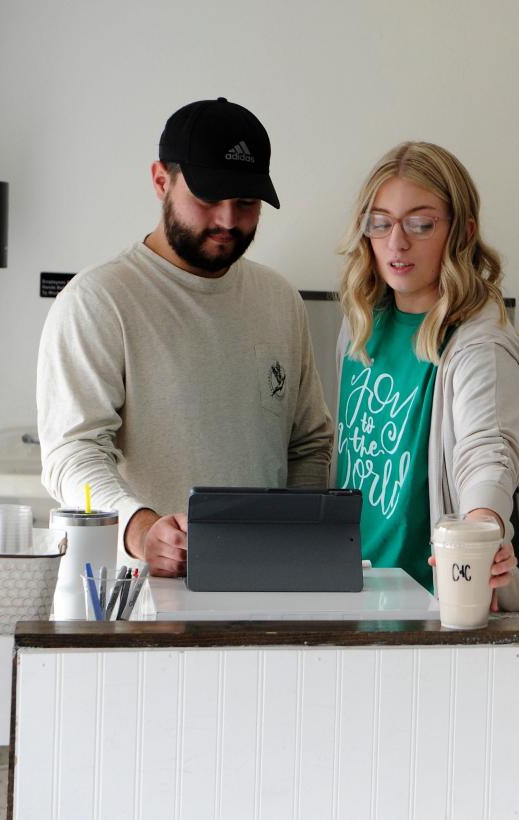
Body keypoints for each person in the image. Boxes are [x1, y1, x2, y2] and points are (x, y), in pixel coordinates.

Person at [37, 97, 333, 576]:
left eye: (246, 202)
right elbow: (72, 453)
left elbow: (308, 443)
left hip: (270, 586)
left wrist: (294, 540)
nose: (228, 220)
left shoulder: (279, 300)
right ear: (160, 180)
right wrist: (141, 530)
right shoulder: (100, 299)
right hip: (143, 590)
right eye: (208, 197)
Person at [334, 141, 519, 609]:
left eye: (420, 225)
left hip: (429, 602)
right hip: (352, 592)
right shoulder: (360, 323)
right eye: (380, 224)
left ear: (461, 232)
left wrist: (483, 528)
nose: (396, 243)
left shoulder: (479, 342)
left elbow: (488, 453)